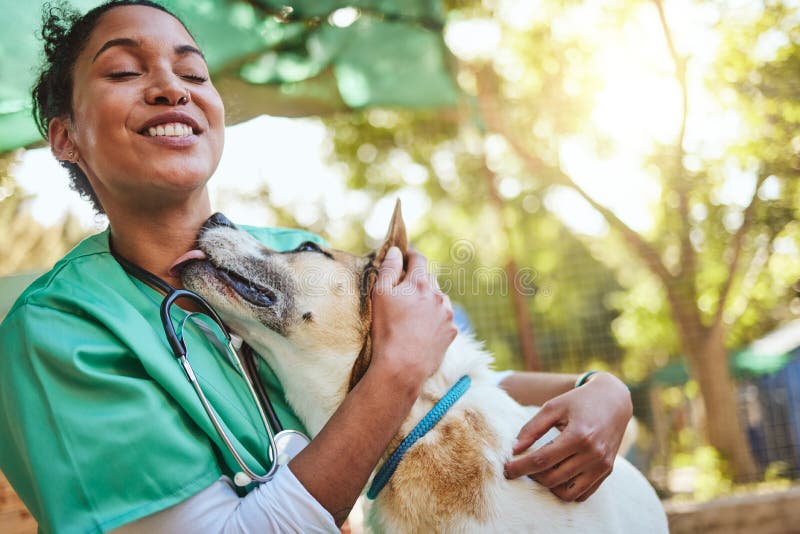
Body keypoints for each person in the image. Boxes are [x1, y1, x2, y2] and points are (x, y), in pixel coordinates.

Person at [0, 1, 634, 532]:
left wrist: (596, 389)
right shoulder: (58, 332)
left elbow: (441, 392)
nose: (172, 88)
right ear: (65, 136)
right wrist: (396, 371)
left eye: (193, 74)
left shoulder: (290, 253)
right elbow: (399, 375)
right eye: (123, 71)